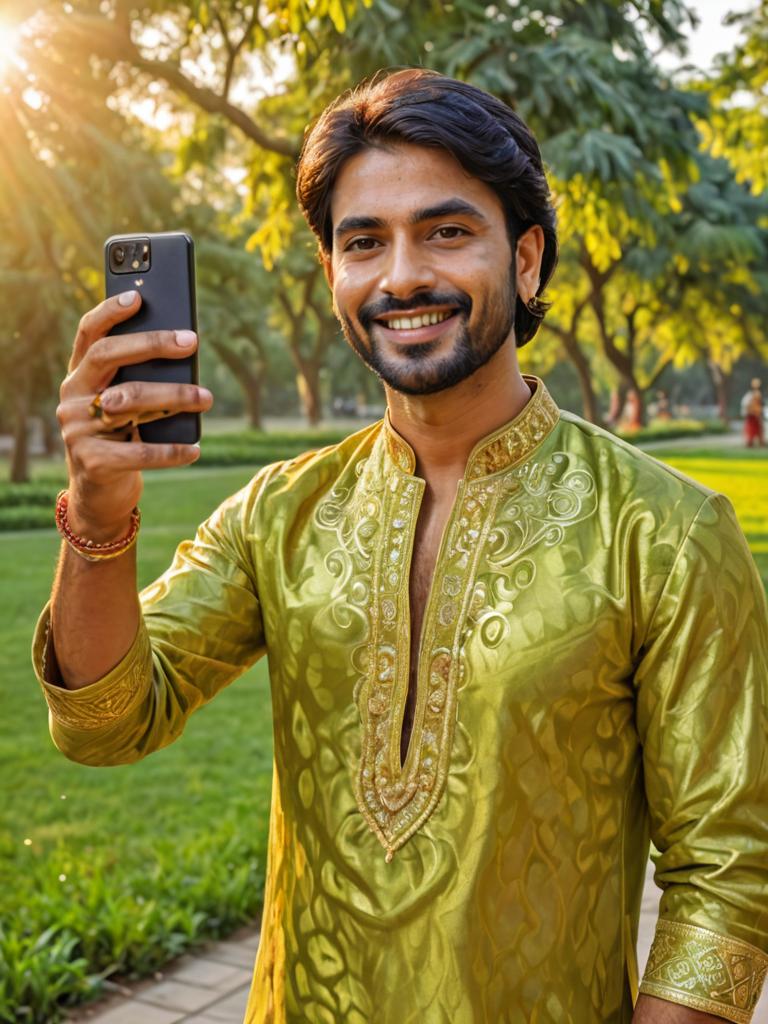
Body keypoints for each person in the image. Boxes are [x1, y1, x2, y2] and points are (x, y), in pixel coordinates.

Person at [32, 70, 767, 1024]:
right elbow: (103, 724)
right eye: (363, 242)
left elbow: (728, 873)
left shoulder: (662, 531)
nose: (403, 276)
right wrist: (96, 511)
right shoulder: (280, 515)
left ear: (528, 258)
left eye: (448, 231)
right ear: (333, 276)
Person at [741, 378, 764, 447]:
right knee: (750, 430)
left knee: (758, 429)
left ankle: (760, 442)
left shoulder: (758, 394)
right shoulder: (750, 395)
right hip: (751, 415)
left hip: (756, 415)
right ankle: (749, 442)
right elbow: (747, 405)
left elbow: (759, 404)